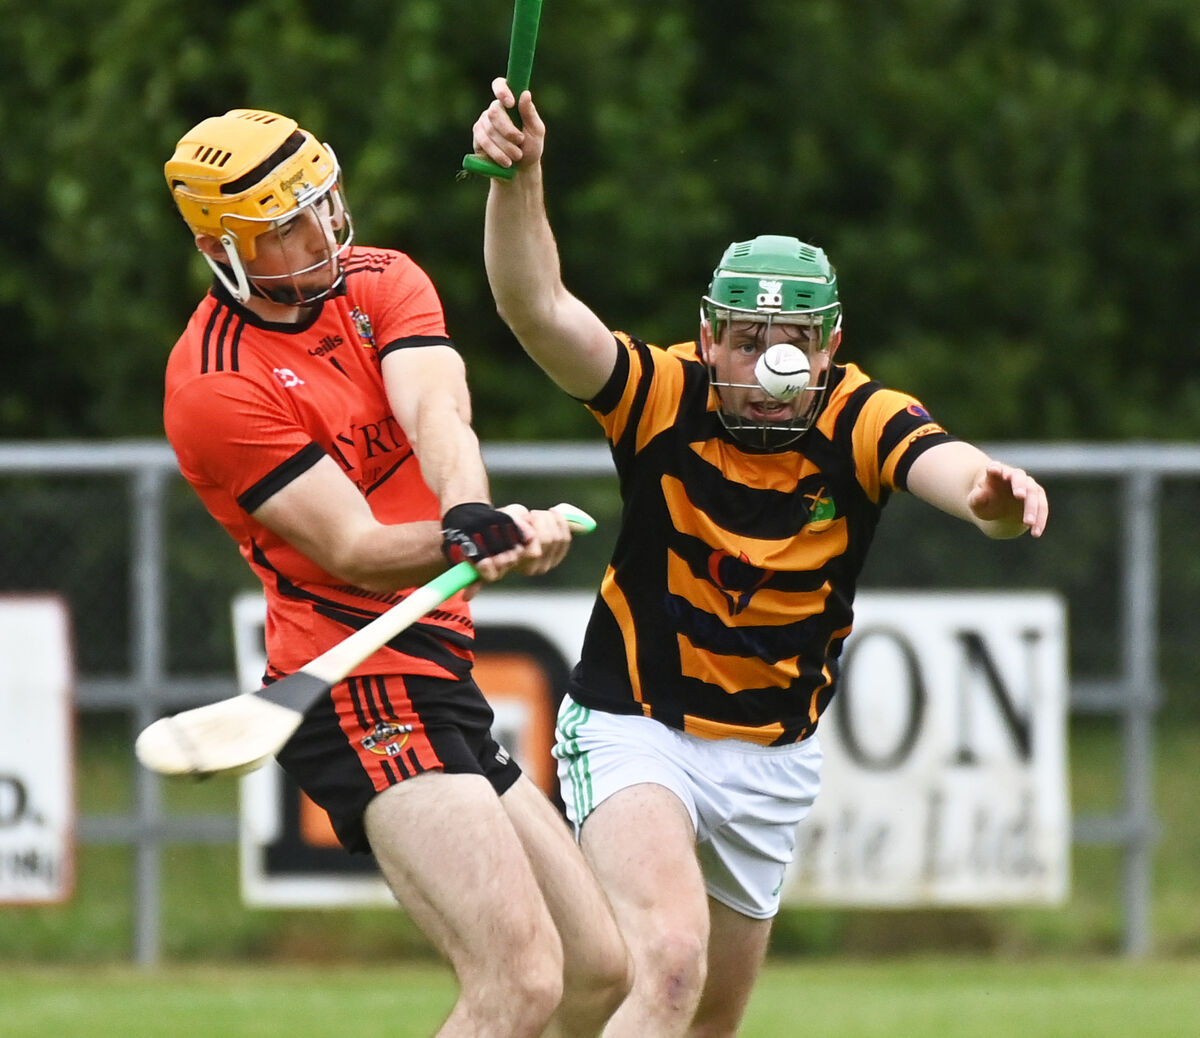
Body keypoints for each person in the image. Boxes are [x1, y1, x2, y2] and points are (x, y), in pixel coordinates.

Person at [470, 81, 1050, 1038]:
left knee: (702, 1021)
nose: (770, 367)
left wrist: (992, 494)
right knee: (666, 969)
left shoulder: (859, 414)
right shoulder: (659, 395)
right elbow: (536, 308)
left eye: (792, 343)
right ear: (709, 338)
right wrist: (519, 180)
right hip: (635, 723)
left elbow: (949, 469)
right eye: (747, 341)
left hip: (773, 759)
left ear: (830, 347)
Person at [162, 107, 630, 1038]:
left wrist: (472, 515)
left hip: (436, 675)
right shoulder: (215, 383)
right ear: (223, 247)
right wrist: (465, 544)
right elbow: (355, 549)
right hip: (355, 689)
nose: (320, 235)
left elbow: (438, 417)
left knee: (596, 971)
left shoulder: (381, 280)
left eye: (323, 206)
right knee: (519, 980)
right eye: (283, 227)